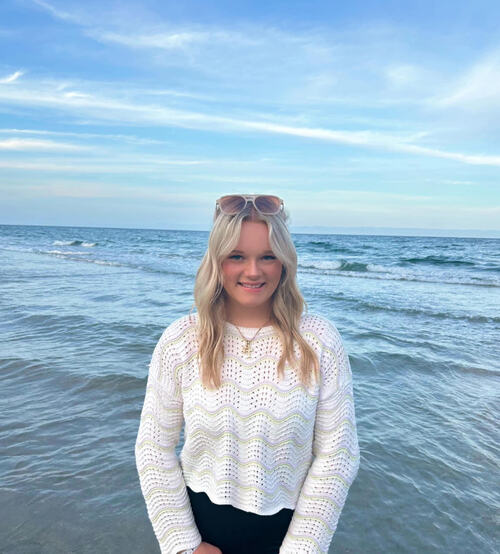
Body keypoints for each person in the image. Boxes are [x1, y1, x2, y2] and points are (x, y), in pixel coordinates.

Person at [135, 194, 360, 554]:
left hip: (290, 537)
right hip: (199, 534)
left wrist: (302, 548)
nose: (253, 271)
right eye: (237, 256)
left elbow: (338, 454)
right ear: (217, 261)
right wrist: (183, 543)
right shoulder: (181, 340)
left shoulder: (319, 341)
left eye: (267, 256)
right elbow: (153, 447)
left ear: (284, 262)